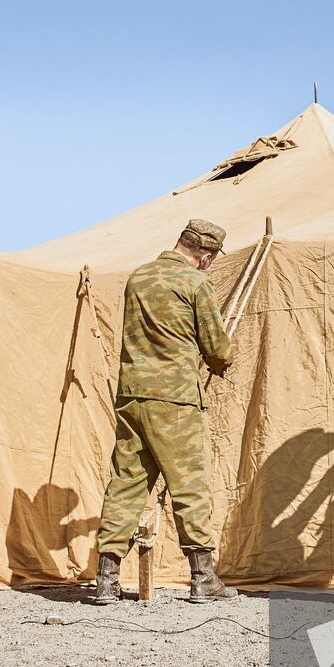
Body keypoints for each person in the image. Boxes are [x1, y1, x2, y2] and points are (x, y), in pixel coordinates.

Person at [92, 219, 236, 605]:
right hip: (174, 401)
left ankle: (106, 579)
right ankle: (203, 579)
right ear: (204, 254)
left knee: (126, 483)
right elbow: (217, 347)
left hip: (131, 395)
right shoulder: (195, 282)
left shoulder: (138, 277)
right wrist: (223, 359)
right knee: (189, 486)